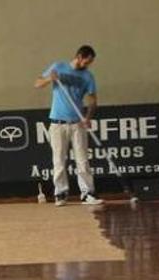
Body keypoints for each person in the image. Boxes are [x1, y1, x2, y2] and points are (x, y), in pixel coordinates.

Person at [34, 45, 104, 206]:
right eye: (87, 61)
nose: (88, 65)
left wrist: (88, 117)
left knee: (82, 160)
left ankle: (87, 193)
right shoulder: (58, 67)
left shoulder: (88, 76)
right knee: (58, 159)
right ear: (79, 56)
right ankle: (61, 193)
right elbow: (37, 83)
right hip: (57, 123)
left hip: (77, 123)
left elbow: (92, 100)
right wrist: (49, 79)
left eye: (90, 63)